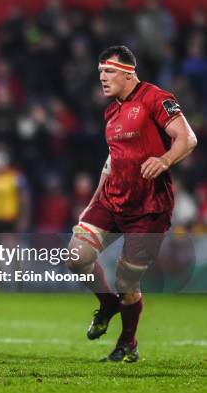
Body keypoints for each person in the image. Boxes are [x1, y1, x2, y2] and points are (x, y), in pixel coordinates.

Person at [66, 45, 197, 362]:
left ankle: (127, 342)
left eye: (108, 71)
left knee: (127, 281)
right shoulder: (110, 111)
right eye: (100, 72)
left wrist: (164, 160)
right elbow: (110, 163)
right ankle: (108, 304)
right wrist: (91, 204)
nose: (102, 78)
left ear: (128, 72)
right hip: (112, 200)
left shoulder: (155, 98)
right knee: (75, 256)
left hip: (149, 208)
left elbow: (187, 138)